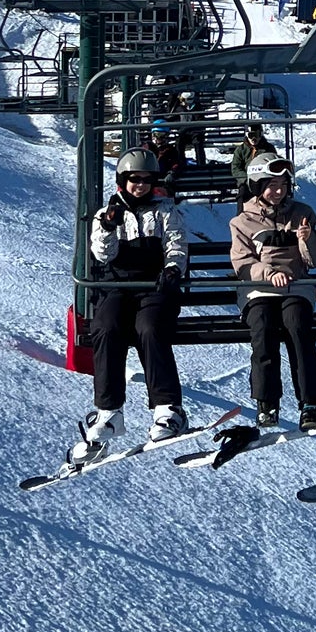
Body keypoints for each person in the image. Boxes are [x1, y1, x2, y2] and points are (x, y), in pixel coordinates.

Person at [74, 149, 189, 453]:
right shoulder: (106, 214)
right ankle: (109, 412)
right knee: (106, 327)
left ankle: (168, 408)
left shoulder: (164, 210)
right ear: (122, 181)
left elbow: (176, 243)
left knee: (149, 329)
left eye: (146, 179)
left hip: (154, 285)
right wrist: (110, 227)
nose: (140, 185)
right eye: (134, 179)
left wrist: (173, 268)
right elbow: (102, 255)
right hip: (117, 285)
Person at [228, 153, 316, 430]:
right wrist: (269, 274)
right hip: (258, 290)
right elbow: (242, 264)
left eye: (283, 185)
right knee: (263, 327)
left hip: (296, 286)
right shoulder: (241, 222)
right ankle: (267, 401)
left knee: (297, 325)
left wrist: (307, 241)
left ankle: (313, 399)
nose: (277, 192)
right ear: (257, 186)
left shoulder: (303, 214)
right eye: (271, 185)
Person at [230, 117, 272, 202]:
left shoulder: (268, 148)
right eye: (251, 135)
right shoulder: (241, 150)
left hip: (263, 181)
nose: (254, 139)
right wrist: (246, 179)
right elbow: (236, 168)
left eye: (256, 135)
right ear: (247, 136)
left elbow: (273, 164)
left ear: (261, 135)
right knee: (242, 195)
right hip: (246, 182)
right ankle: (242, 214)